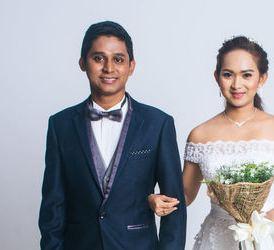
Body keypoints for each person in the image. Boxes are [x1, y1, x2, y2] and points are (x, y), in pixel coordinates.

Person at [38, 21, 186, 250]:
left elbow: (175, 205)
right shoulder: (61, 125)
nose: (109, 68)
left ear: (131, 66)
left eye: (118, 59)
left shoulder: (158, 124)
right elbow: (52, 207)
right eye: (99, 58)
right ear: (82, 63)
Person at [148, 36, 274, 249]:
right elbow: (184, 195)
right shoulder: (200, 134)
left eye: (247, 75)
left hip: (265, 236)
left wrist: (261, 223)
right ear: (217, 77)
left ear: (262, 78)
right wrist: (153, 200)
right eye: (228, 75)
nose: (236, 84)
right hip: (217, 239)